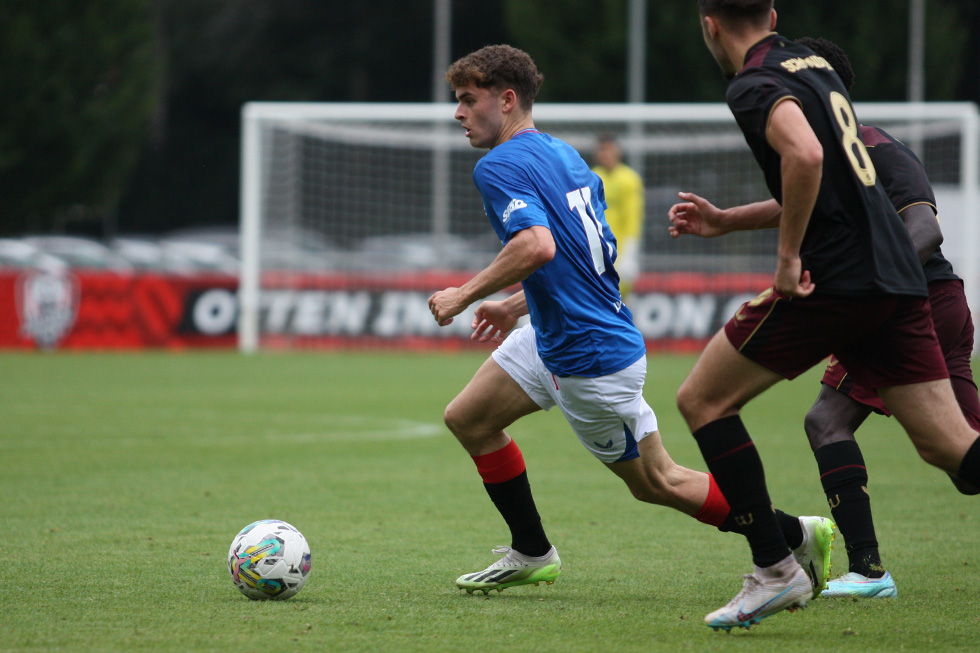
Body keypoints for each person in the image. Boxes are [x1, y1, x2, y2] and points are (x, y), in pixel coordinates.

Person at [427, 44, 834, 600]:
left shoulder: (497, 166)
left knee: (657, 482)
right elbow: (583, 262)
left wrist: (464, 295)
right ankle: (531, 551)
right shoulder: (566, 156)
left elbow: (537, 244)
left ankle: (792, 533)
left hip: (588, 356)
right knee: (469, 418)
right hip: (556, 334)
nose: (458, 113)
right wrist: (513, 305)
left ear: (506, 99)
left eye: (467, 101)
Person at [671, 1, 980, 631]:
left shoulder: (753, 82)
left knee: (702, 401)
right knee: (953, 449)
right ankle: (793, 569)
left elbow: (805, 158)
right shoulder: (812, 64)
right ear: (773, 11)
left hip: (839, 279)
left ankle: (776, 572)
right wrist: (729, 220)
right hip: (898, 280)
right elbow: (830, 169)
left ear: (709, 24)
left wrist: (788, 260)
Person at [592, 135, 644, 303]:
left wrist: (630, 251)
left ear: (618, 152)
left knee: (619, 302)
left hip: (621, 252)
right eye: (602, 150)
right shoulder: (591, 177)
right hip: (594, 248)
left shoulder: (629, 179)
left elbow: (633, 217)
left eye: (609, 149)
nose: (605, 154)